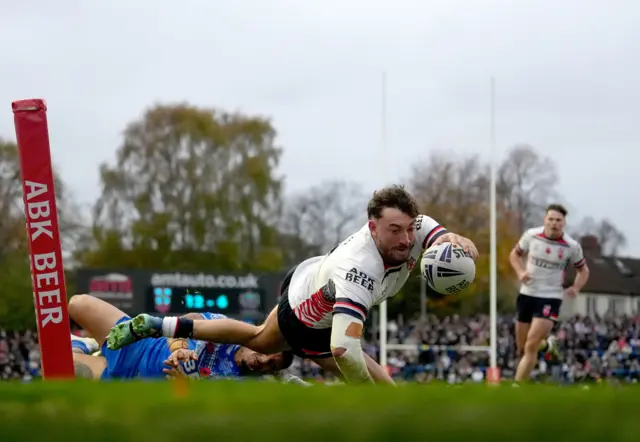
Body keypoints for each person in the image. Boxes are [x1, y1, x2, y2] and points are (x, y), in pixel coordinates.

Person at [106, 185, 479, 384]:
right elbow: (343, 349)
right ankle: (159, 325)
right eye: (394, 230)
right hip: (307, 316)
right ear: (372, 228)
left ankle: (159, 324)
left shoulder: (414, 227)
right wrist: (361, 393)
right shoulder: (360, 270)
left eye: (409, 229)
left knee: (254, 337)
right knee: (257, 341)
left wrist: (456, 241)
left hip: (313, 274)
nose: (404, 239)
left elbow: (435, 232)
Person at [68, 294, 294, 381]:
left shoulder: (245, 384)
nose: (264, 362)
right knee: (77, 304)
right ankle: (92, 343)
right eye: (267, 355)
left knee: (60, 367)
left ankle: (81, 347)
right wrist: (179, 347)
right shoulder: (234, 331)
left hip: (128, 381)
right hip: (139, 345)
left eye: (272, 367)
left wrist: (186, 386)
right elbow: (191, 318)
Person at [509, 203, 590, 383]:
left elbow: (583, 271)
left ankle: (517, 386)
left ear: (564, 223)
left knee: (530, 345)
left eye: (558, 220)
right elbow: (514, 255)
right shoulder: (532, 236)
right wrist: (521, 272)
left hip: (550, 297)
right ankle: (547, 345)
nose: (554, 223)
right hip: (527, 294)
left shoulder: (571, 246)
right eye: (551, 219)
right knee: (522, 347)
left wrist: (576, 287)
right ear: (545, 220)